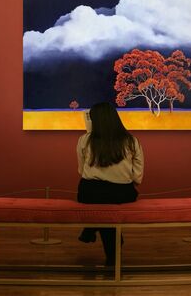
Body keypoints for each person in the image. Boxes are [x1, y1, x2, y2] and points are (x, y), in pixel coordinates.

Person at [76, 102, 144, 266]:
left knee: (101, 205)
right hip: (121, 193)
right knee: (108, 208)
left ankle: (92, 227)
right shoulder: (131, 141)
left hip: (89, 192)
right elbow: (138, 175)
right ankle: (112, 256)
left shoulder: (84, 140)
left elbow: (80, 170)